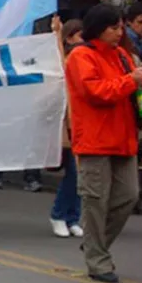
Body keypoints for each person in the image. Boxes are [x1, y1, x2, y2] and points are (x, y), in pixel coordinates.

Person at [64, 3, 142, 283]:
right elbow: (95, 92)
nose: (119, 31)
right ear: (99, 29)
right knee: (95, 202)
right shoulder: (80, 56)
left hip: (123, 137)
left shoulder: (122, 55)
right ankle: (98, 259)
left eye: (120, 26)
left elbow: (128, 87)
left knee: (128, 196)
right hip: (96, 140)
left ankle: (94, 243)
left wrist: (137, 81)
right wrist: (131, 81)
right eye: (114, 27)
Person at [49, 16, 84, 239]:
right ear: (69, 38)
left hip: (86, 123)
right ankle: (59, 214)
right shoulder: (68, 59)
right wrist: (55, 33)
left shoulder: (87, 58)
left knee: (82, 174)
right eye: (80, 35)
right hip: (70, 124)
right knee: (74, 172)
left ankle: (73, 217)